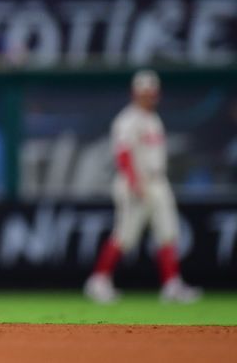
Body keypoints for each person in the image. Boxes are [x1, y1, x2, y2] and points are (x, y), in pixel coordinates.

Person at [84, 70, 202, 304]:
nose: (149, 97)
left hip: (158, 181)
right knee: (125, 235)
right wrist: (134, 182)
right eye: (144, 93)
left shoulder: (153, 119)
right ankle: (98, 281)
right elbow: (123, 154)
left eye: (152, 93)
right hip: (136, 183)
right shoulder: (127, 119)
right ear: (135, 93)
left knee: (168, 233)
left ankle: (171, 285)